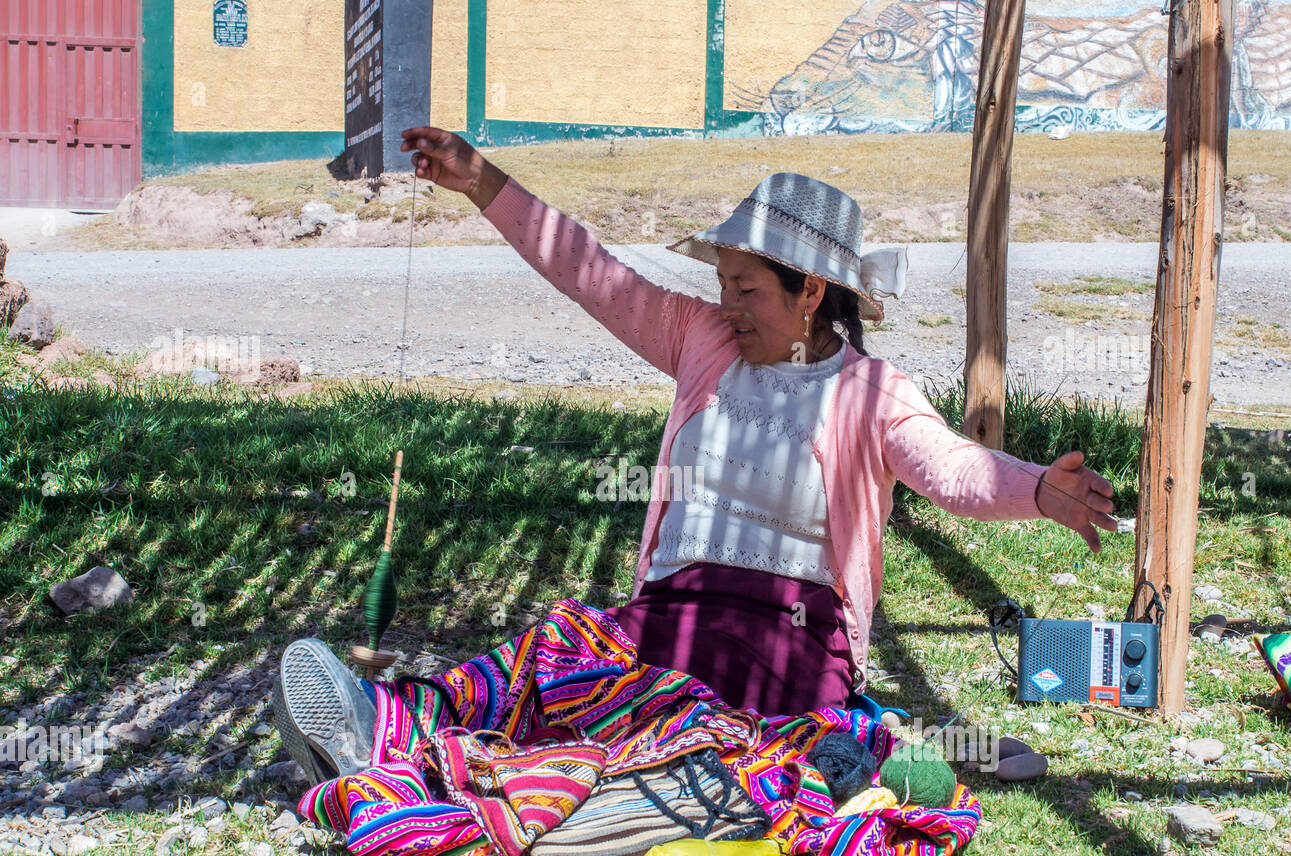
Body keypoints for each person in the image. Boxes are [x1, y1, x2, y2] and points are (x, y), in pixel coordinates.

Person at [272, 127, 1117, 786]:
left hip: (791, 640)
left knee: (672, 727)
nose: (728, 305)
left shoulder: (872, 391)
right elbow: (590, 272)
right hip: (665, 617)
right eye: (723, 285)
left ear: (811, 293)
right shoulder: (701, 340)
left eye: (746, 289)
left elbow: (953, 470)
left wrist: (1040, 489)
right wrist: (482, 182)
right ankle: (381, 724)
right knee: (555, 655)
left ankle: (430, 762)